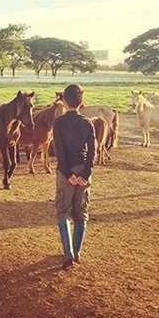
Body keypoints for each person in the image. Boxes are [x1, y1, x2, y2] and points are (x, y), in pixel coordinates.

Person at [52, 84, 96, 269]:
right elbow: (93, 151)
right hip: (83, 171)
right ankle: (76, 252)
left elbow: (59, 152)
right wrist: (85, 174)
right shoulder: (87, 123)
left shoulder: (58, 123)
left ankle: (68, 252)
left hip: (66, 172)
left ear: (64, 100)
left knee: (63, 211)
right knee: (81, 213)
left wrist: (68, 174)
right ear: (81, 101)